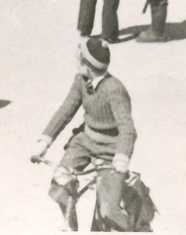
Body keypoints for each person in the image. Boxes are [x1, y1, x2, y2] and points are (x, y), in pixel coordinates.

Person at [31, 38, 136, 231]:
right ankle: (71, 226)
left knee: (108, 211)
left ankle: (133, 229)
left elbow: (127, 128)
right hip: (85, 141)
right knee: (59, 184)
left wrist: (121, 157)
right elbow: (65, 111)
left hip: (110, 150)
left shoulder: (114, 89)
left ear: (86, 66)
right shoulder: (81, 80)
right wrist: (44, 143)